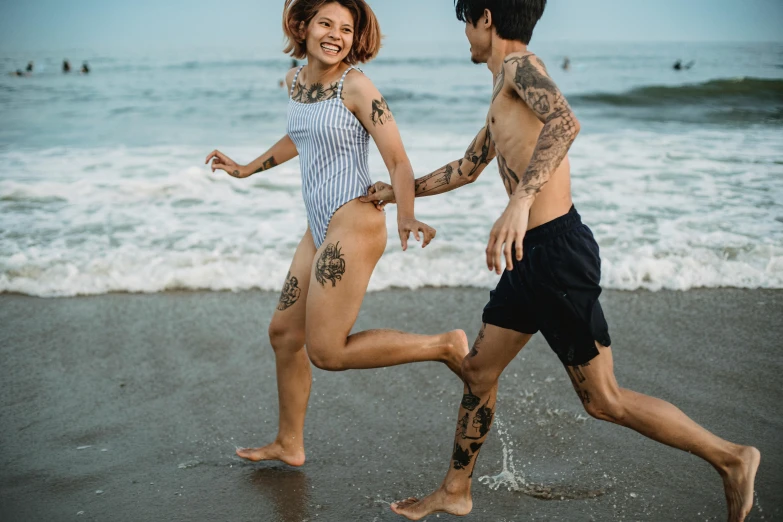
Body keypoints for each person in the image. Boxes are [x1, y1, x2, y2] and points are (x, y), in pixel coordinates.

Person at [363, 1, 760, 520]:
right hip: (527, 258)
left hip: (556, 253)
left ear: (485, 17)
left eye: (465, 21)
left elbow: (565, 121)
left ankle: (731, 458)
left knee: (603, 401)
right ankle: (455, 490)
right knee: (479, 371)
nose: (464, 34)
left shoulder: (522, 68)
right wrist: (397, 194)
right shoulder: (503, 85)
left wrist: (520, 200)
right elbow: (467, 167)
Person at [205, 0, 469, 467]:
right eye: (326, 23)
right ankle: (289, 443)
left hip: (355, 219)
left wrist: (405, 214)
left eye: (346, 28)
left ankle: (444, 345)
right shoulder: (296, 82)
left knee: (327, 351)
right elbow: (300, 135)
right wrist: (247, 169)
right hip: (319, 223)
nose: (336, 35)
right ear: (302, 26)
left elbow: (399, 161)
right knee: (284, 334)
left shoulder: (357, 86)